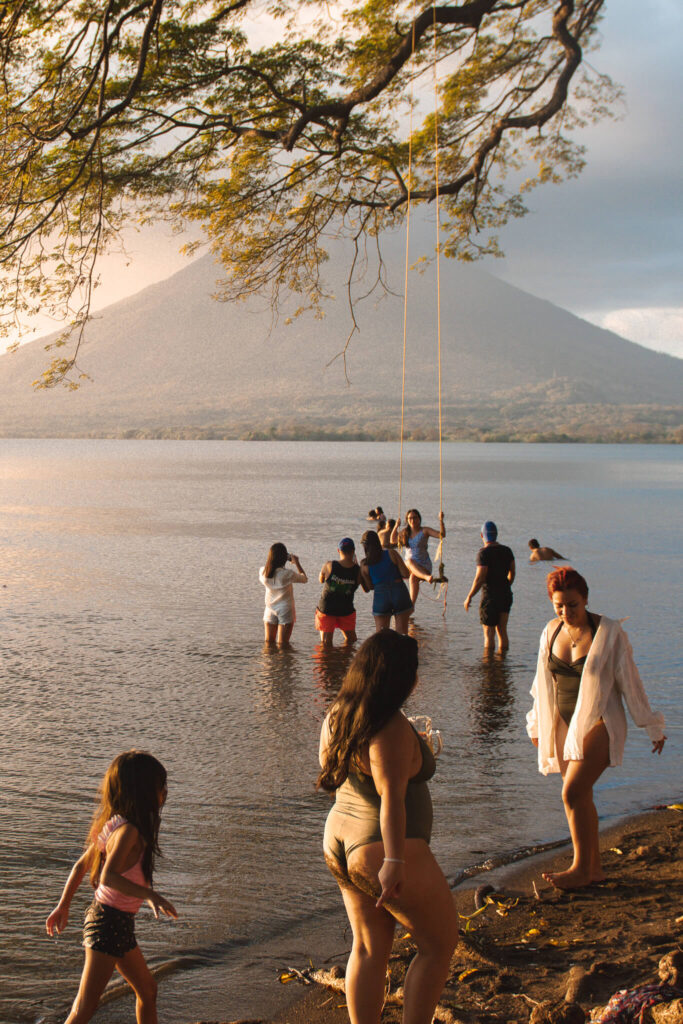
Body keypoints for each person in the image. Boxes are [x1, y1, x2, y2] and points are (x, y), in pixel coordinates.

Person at [319, 631, 459, 1024]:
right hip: (383, 848)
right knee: (439, 944)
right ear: (403, 679)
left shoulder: (339, 713)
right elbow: (392, 799)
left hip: (339, 839)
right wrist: (394, 860)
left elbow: (331, 770)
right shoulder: (390, 727)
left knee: (367, 947)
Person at [527, 567, 666, 891]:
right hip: (565, 727)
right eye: (559, 605)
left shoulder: (609, 632)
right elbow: (541, 683)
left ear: (586, 599)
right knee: (582, 795)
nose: (566, 612)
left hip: (602, 722)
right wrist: (536, 724)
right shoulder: (550, 631)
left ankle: (579, 868)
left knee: (572, 792)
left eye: (572, 605)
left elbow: (630, 682)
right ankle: (595, 868)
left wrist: (652, 726)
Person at [45, 751, 177, 1024]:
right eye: (159, 786)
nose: (165, 792)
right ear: (142, 791)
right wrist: (151, 895)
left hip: (116, 924)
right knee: (83, 1009)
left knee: (148, 990)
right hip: (107, 925)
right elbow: (108, 877)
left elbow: (80, 867)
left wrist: (63, 906)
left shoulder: (118, 825)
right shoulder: (127, 832)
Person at [463, 521, 515, 652]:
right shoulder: (507, 550)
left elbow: (480, 578)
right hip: (505, 594)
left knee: (489, 633)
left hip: (490, 596)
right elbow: (512, 572)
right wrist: (506, 585)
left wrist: (469, 596)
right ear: (496, 535)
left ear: (482, 535)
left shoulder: (483, 553)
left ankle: (489, 666)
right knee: (502, 631)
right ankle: (502, 663)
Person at [360, 530, 413, 635]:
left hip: (381, 596)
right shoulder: (391, 553)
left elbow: (370, 587)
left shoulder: (364, 565)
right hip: (399, 592)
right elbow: (406, 574)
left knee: (381, 637)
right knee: (402, 635)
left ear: (364, 546)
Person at [392, 509, 445, 606]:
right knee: (408, 562)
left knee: (413, 577)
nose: (412, 520)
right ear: (407, 520)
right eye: (410, 518)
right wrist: (396, 526)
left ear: (419, 519)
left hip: (423, 565)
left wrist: (441, 521)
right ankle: (405, 604)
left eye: (414, 518)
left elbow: (441, 535)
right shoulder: (405, 532)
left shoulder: (425, 530)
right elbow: (393, 540)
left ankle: (411, 606)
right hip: (408, 566)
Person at [259, 542, 308, 645]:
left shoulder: (263, 572)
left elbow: (270, 569)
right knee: (283, 646)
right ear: (284, 557)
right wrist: (297, 562)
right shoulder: (287, 574)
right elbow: (304, 579)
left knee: (269, 644)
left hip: (270, 609)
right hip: (285, 610)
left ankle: (268, 661)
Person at [316, 538, 362, 646]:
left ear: (338, 551)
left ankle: (331, 661)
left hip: (327, 608)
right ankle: (345, 660)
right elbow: (358, 585)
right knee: (351, 640)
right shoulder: (358, 570)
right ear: (353, 551)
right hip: (346, 608)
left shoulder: (329, 565)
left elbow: (321, 580)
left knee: (326, 644)